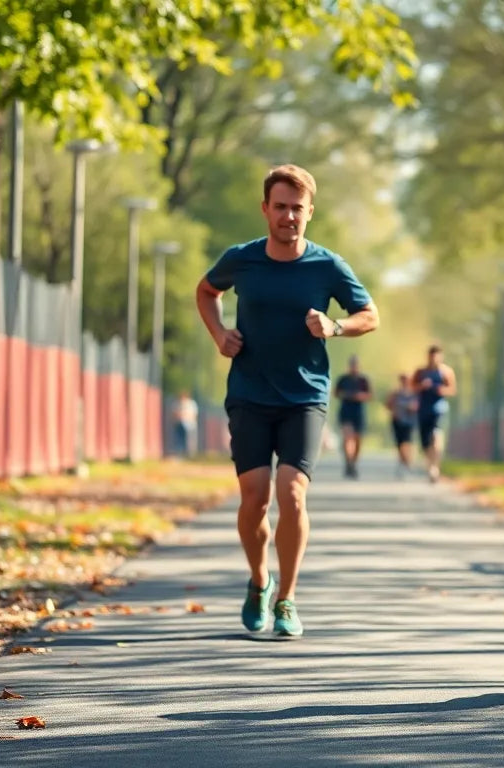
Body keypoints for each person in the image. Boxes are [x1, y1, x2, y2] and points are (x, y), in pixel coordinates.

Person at [195, 164, 379, 639]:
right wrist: (219, 334)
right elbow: (206, 290)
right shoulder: (242, 259)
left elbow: (369, 314)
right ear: (265, 210)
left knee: (291, 492)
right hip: (250, 394)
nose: (289, 216)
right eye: (280, 207)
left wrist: (335, 326)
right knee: (254, 498)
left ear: (310, 212)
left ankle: (287, 599)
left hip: (305, 397)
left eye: (298, 208)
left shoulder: (327, 266)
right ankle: (259, 581)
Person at [411, 345, 456, 483]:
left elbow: (452, 390)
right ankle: (430, 464)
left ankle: (435, 468)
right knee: (425, 442)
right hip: (423, 410)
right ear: (428, 356)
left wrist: (440, 389)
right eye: (431, 356)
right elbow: (412, 387)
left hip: (439, 409)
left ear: (441, 357)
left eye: (436, 356)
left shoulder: (446, 372)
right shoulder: (420, 372)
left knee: (436, 437)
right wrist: (422, 386)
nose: (434, 359)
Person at [334, 355, 371, 478]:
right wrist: (345, 395)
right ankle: (348, 462)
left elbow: (369, 395)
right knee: (347, 437)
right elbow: (336, 393)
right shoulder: (343, 379)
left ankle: (354, 462)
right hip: (346, 411)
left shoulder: (363, 380)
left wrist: (359, 396)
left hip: (359, 412)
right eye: (352, 364)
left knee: (357, 440)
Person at [384, 372, 419, 478]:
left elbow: (416, 406)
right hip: (397, 421)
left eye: (406, 379)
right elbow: (388, 405)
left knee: (407, 443)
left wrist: (410, 407)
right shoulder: (395, 393)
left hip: (409, 422)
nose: (404, 381)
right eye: (402, 379)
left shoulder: (414, 393)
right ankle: (403, 462)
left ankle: (407, 462)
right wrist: (394, 409)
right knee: (399, 444)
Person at [173, 391, 199, 457]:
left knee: (189, 440)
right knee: (180, 439)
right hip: (180, 424)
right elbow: (175, 414)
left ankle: (189, 453)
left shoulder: (191, 404)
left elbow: (194, 415)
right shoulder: (177, 404)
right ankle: (180, 452)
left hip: (190, 425)